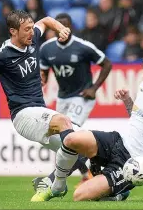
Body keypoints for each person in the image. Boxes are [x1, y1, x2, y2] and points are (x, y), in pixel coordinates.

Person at [0, 10, 87, 200]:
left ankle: (49, 184)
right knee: (63, 122)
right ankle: (59, 186)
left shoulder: (33, 38)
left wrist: (61, 28)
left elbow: (45, 20)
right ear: (13, 31)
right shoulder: (2, 55)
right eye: (27, 29)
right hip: (23, 114)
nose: (32, 32)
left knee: (83, 143)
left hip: (40, 110)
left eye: (32, 28)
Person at [31, 50, 143, 201]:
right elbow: (137, 116)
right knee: (71, 139)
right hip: (117, 142)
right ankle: (55, 183)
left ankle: (118, 194)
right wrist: (127, 100)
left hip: (132, 163)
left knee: (79, 195)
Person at [39, 13, 112, 185]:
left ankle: (91, 170)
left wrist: (94, 88)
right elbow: (45, 72)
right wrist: (42, 80)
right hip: (62, 98)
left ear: (70, 28)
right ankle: (88, 171)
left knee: (69, 136)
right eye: (58, 26)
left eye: (65, 26)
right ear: (54, 28)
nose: (62, 29)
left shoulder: (82, 46)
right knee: (60, 139)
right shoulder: (46, 49)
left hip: (81, 97)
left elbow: (107, 63)